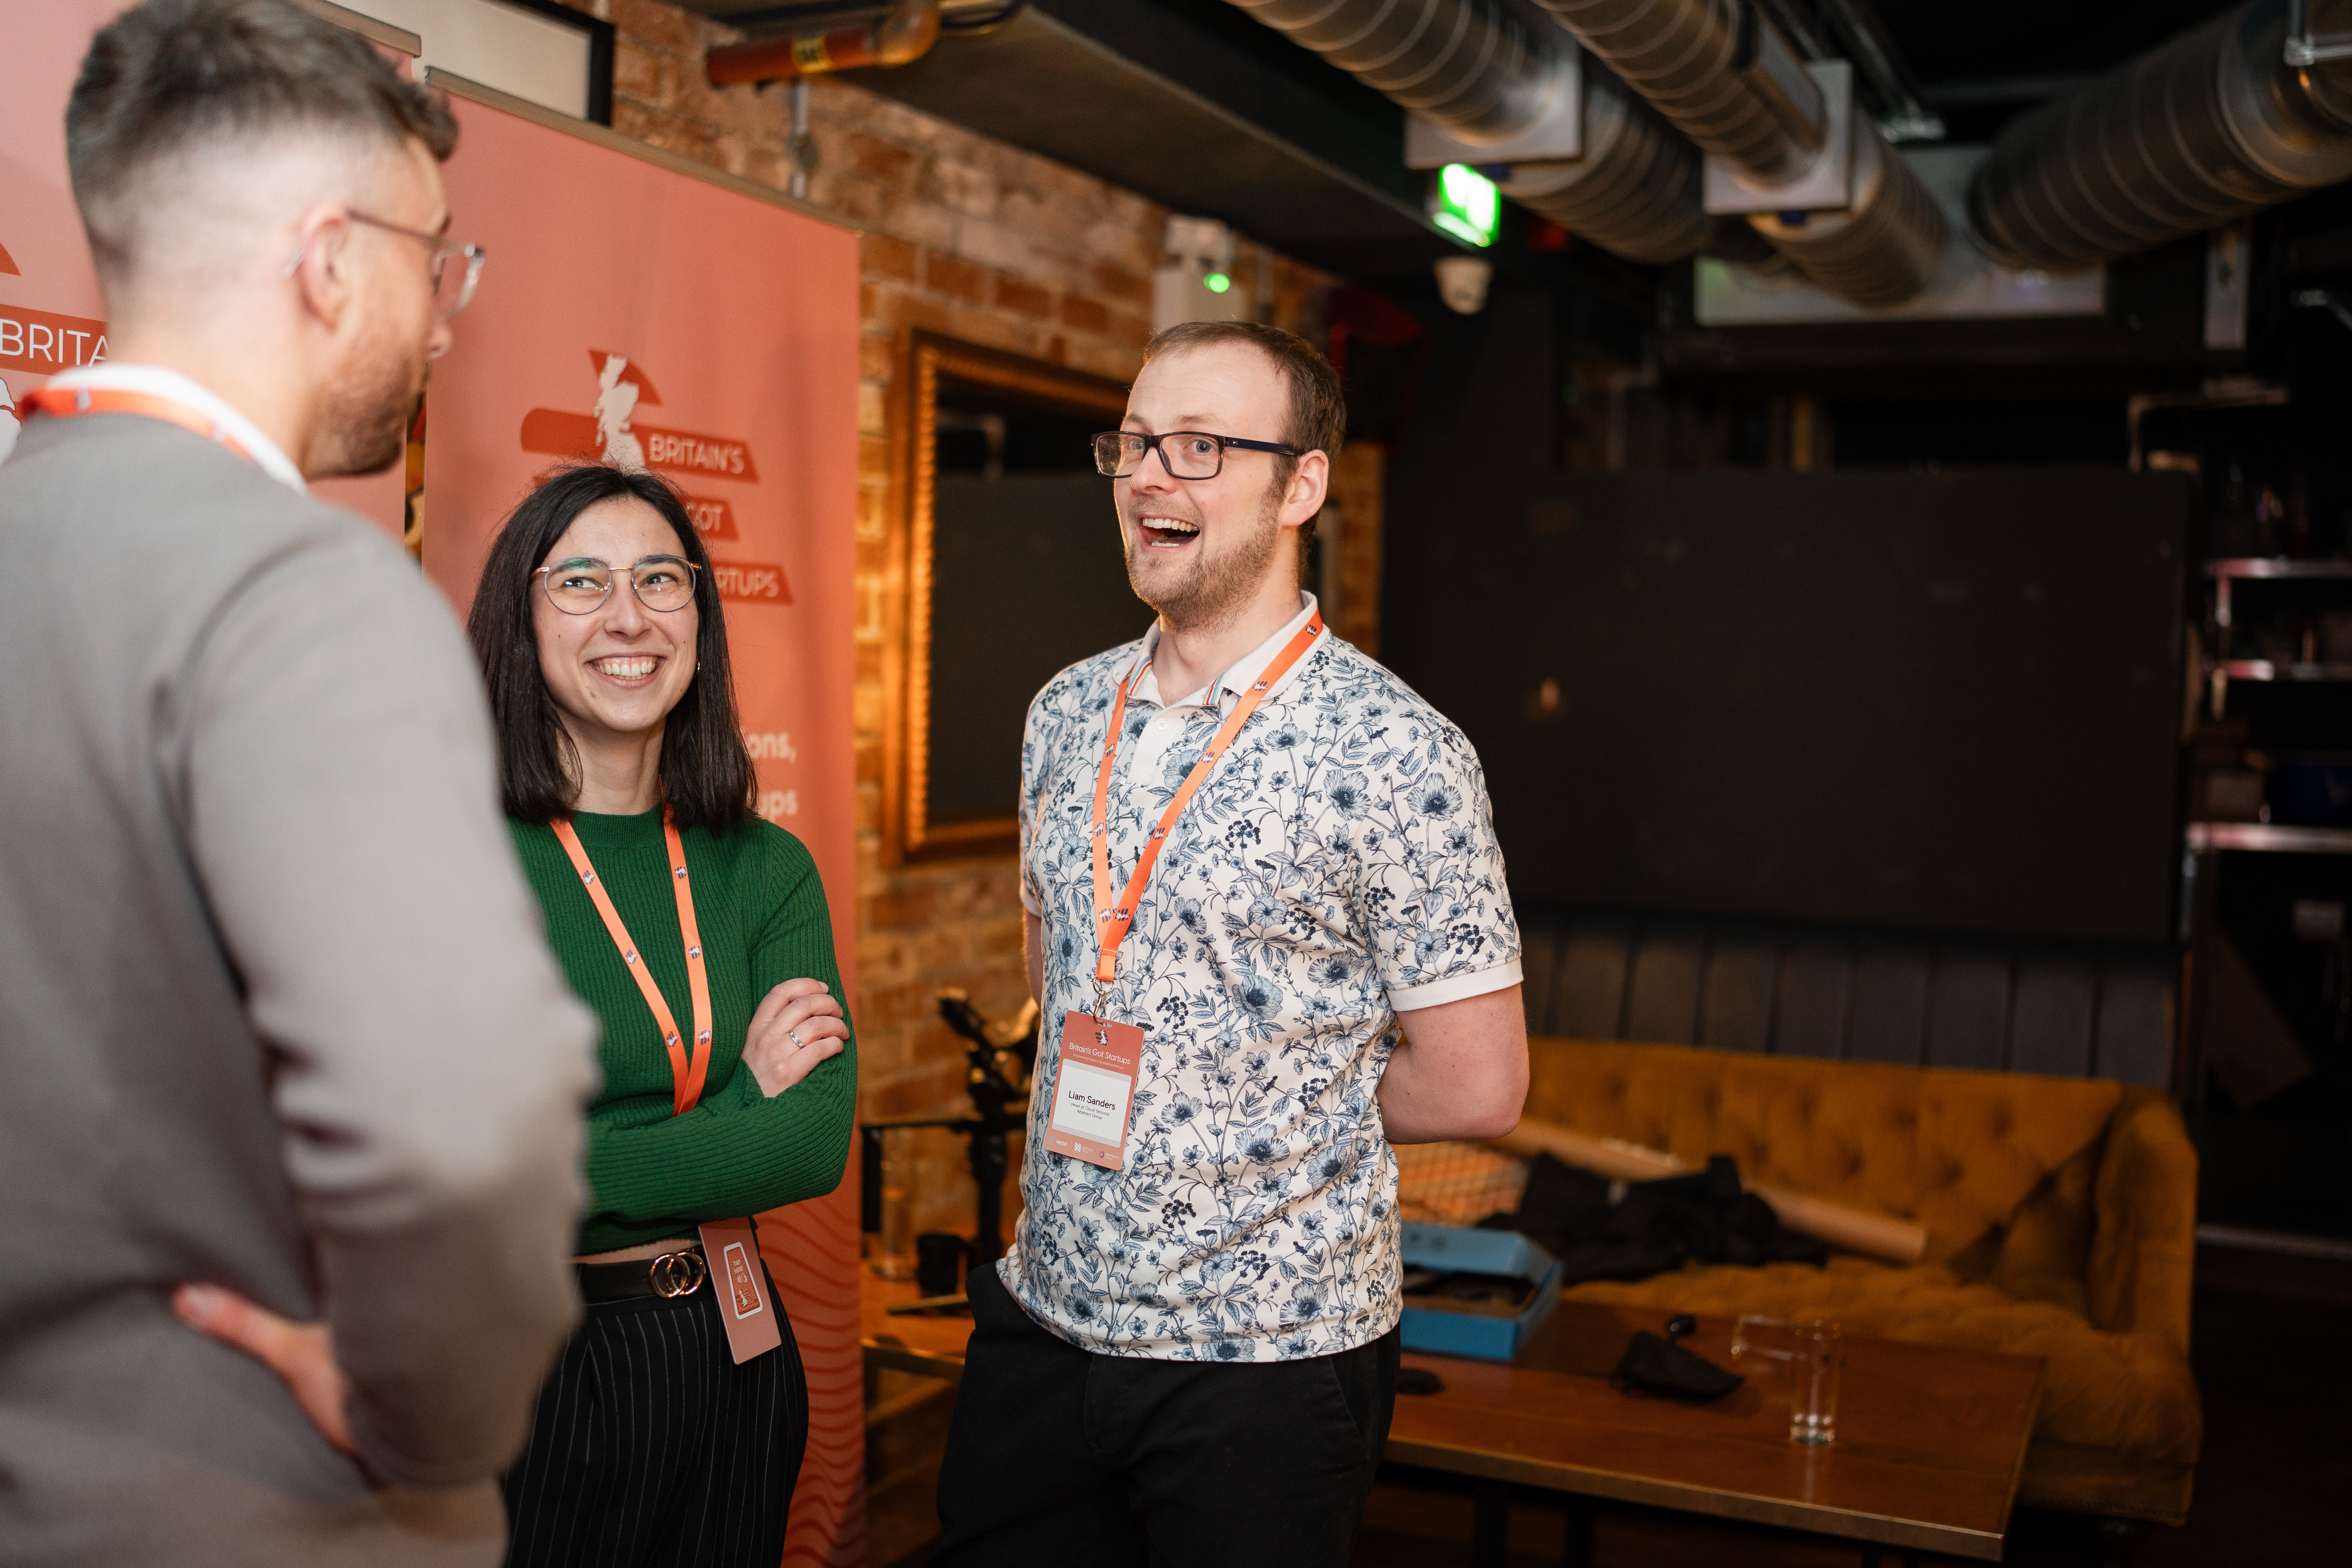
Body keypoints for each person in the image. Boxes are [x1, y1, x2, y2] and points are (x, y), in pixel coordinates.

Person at [0, 2, 597, 1564]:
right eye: (436, 254)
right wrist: (429, 1423)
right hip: (260, 1504)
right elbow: (456, 1128)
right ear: (330, 260)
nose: (448, 313)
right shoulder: (298, 592)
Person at [933, 321, 1531, 1565]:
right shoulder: (1062, 711)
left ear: (1300, 484)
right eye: (1138, 443)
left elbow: (1478, 1085)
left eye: (1202, 447)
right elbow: (1062, 980)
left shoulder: (1398, 752)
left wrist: (1277, 1107)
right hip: (1045, 1325)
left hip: (1265, 1361)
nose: (1152, 477)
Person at [465, 463, 858, 1568]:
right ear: (520, 614)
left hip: (734, 1354)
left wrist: (581, 1156)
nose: (628, 617)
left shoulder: (766, 866)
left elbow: (814, 1141)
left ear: (701, 614)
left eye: (661, 580)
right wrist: (740, 1100)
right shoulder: (454, 857)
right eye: (581, 582)